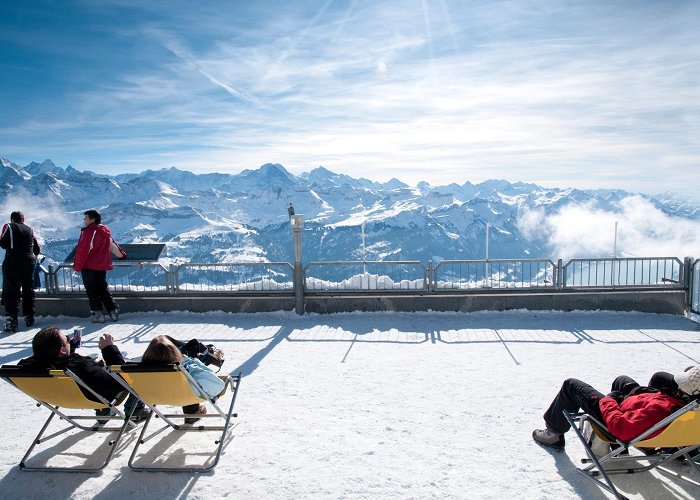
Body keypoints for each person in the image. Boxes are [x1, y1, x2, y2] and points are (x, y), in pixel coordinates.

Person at [533, 367, 700, 451]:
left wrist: (609, 400)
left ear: (684, 391)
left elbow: (622, 427)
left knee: (571, 385)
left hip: (617, 420)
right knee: (622, 380)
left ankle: (554, 434)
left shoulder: (660, 409)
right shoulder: (688, 408)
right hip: (645, 415)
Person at [18, 326, 147, 420]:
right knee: (133, 372)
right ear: (62, 350)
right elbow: (119, 382)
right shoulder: (80, 367)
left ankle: (104, 412)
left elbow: (54, 359)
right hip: (96, 396)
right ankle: (135, 410)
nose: (69, 340)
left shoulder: (30, 368)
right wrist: (109, 349)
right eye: (67, 339)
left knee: (96, 372)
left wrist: (70, 346)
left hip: (60, 397)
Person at [141, 335, 225, 424]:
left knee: (165, 339)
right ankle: (211, 355)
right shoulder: (185, 369)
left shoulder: (138, 372)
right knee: (193, 347)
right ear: (175, 353)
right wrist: (192, 361)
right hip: (184, 396)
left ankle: (210, 355)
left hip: (155, 397)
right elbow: (217, 386)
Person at [73, 209, 126, 323]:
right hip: (102, 266)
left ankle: (98, 314)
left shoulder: (89, 232)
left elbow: (83, 250)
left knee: (92, 290)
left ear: (93, 219)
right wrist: (121, 255)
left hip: (88, 266)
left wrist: (77, 266)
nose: (84, 220)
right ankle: (113, 311)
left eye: (86, 218)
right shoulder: (104, 231)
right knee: (103, 288)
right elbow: (112, 245)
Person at [1, 211, 40, 332]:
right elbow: (36, 248)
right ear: (23, 220)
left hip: (13, 261)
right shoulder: (29, 229)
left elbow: (2, 243)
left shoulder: (8, 226)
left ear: (12, 219)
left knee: (11, 289)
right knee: (28, 289)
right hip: (29, 261)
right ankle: (29, 316)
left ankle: (12, 320)